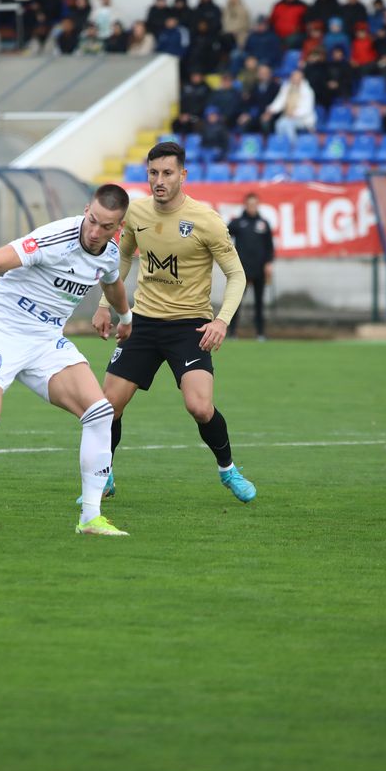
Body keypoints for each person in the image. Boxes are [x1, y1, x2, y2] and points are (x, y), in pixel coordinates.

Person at [0, 185, 135, 537]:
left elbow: (112, 284)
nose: (95, 231)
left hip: (45, 341)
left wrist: (125, 318)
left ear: (118, 227)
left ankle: (90, 517)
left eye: (106, 226)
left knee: (100, 413)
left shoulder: (109, 254)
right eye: (92, 220)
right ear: (85, 210)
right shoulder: (54, 238)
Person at [90, 141, 256, 505]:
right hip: (143, 323)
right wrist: (107, 305)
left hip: (189, 326)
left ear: (183, 175)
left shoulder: (207, 220)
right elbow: (121, 259)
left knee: (199, 407)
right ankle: (104, 474)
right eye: (153, 173)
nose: (159, 181)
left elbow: (237, 275)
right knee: (106, 406)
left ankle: (228, 469)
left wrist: (222, 321)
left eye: (167, 173)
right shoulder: (136, 212)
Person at [227, 193, 276, 339]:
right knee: (236, 301)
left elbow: (269, 246)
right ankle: (232, 333)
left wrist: (268, 263)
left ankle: (260, 333)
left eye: (255, 204)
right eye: (250, 204)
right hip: (241, 269)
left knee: (259, 303)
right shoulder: (238, 223)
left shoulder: (263, 223)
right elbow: (223, 236)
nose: (252, 207)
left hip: (259, 269)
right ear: (245, 205)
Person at [262, 69, 316, 142]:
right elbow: (280, 101)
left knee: (288, 124)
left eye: (297, 77)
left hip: (302, 118)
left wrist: (294, 113)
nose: (295, 79)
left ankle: (293, 145)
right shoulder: (286, 88)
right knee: (279, 123)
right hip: (288, 117)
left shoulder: (308, 91)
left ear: (302, 78)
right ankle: (281, 144)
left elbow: (307, 108)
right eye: (293, 77)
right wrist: (270, 110)